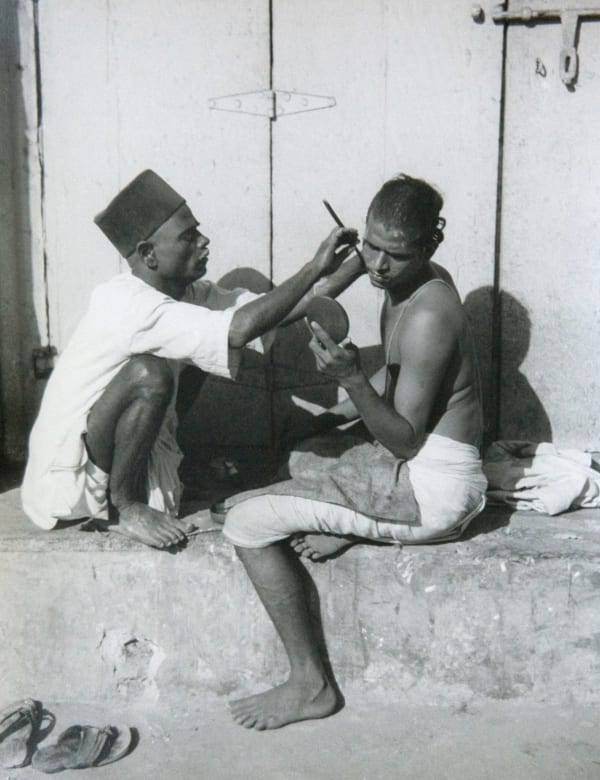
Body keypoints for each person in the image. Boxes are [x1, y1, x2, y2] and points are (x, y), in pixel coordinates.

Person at [221, 174, 488, 729]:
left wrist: (351, 380)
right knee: (302, 451)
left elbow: (404, 438)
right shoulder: (419, 280)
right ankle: (355, 523)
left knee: (244, 522)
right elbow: (399, 379)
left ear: (431, 245)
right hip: (417, 465)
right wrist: (334, 415)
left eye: (397, 255)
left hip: (431, 492)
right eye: (371, 246)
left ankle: (311, 684)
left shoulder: (430, 315)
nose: (380, 266)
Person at [21, 169, 363, 549]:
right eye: (188, 237)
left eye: (198, 231)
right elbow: (238, 330)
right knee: (150, 373)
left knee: (205, 355)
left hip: (115, 458)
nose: (204, 241)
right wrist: (313, 266)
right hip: (71, 481)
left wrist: (362, 263)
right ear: (148, 254)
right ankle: (123, 508)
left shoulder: (189, 294)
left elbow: (280, 310)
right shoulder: (126, 302)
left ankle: (133, 494)